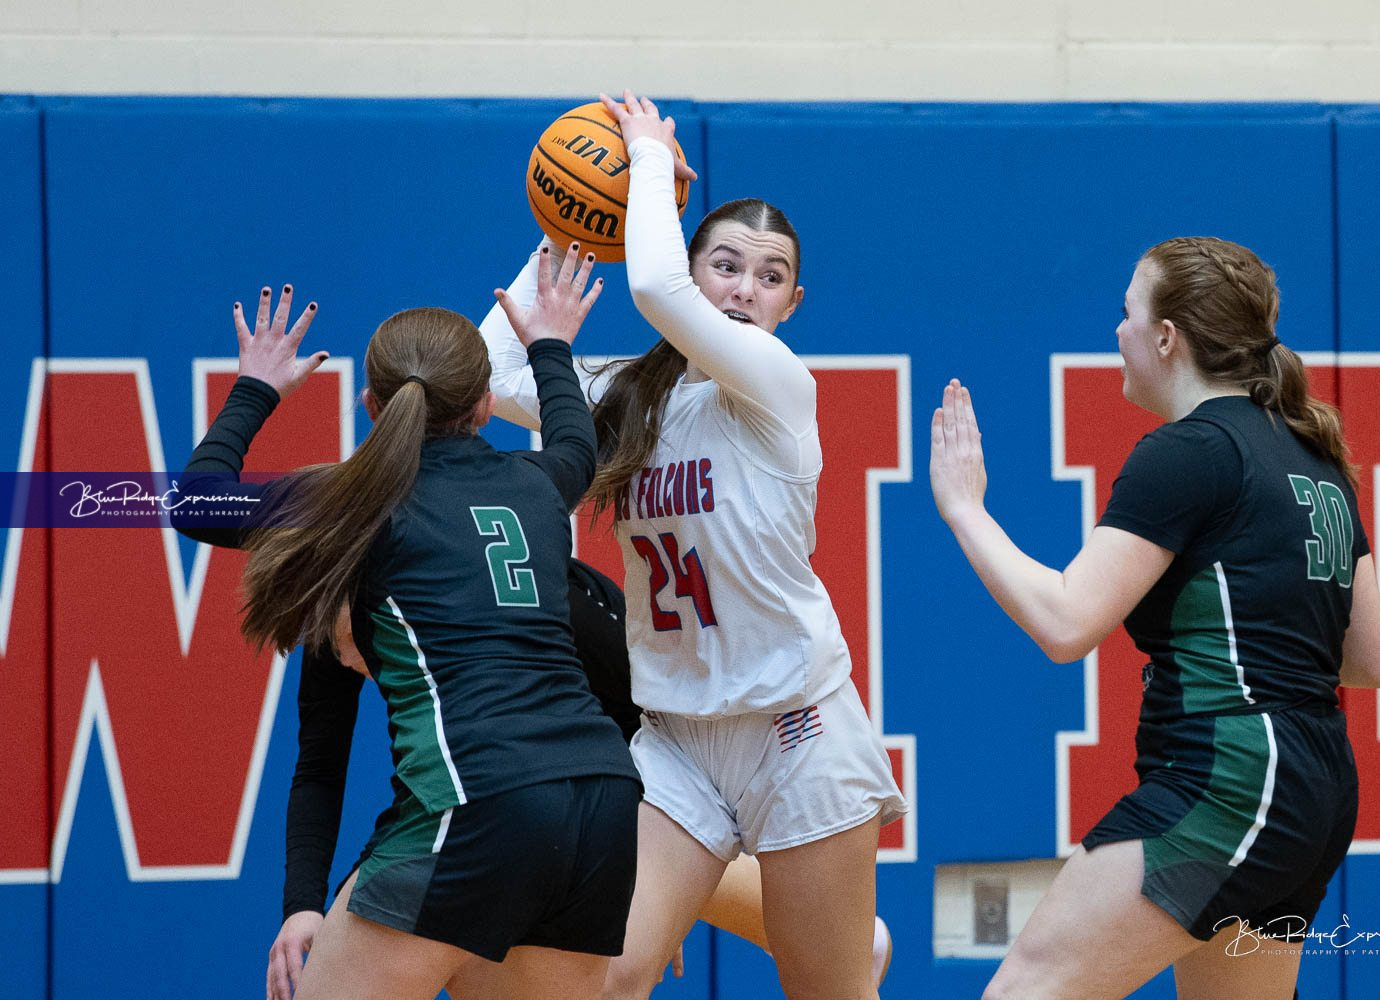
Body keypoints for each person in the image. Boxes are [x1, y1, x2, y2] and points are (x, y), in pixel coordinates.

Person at [482, 90, 907, 1000]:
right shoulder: (630, 395)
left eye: (769, 275)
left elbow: (653, 288)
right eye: (726, 266)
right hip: (676, 736)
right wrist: (570, 227)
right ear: (697, 268)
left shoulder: (779, 387)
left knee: (825, 990)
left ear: (794, 302)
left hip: (795, 729)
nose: (745, 289)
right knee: (601, 975)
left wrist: (639, 160)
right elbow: (489, 373)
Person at [929, 236, 1380, 1000]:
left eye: (1126, 312)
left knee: (1025, 992)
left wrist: (964, 509)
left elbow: (1064, 622)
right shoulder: (1316, 459)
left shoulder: (1186, 452)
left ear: (1166, 337)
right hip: (1315, 788)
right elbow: (1377, 661)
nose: (1116, 331)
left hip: (1232, 779)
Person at [172, 251, 643, 1000]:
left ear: (370, 403)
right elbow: (575, 441)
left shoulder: (348, 509)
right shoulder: (538, 484)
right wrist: (551, 342)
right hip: (605, 804)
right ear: (487, 405)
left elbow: (197, 500)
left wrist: (257, 386)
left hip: (482, 797)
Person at [265, 558, 892, 1000]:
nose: (347, 663)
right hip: (533, 794)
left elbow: (640, 713)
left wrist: (645, 881)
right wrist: (300, 906)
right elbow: (322, 768)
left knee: (595, 946)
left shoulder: (503, 599)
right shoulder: (340, 619)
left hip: (625, 736)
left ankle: (850, 943)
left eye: (347, 645)